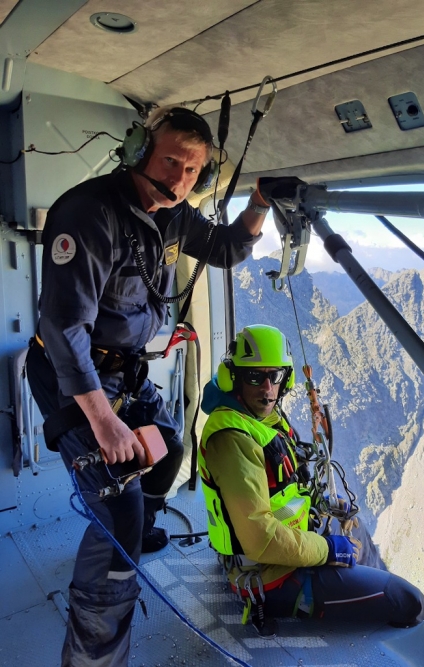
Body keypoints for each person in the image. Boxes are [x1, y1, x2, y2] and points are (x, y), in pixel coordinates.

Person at [26, 107, 271, 666]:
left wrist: (259, 204)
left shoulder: (174, 214)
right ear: (140, 149)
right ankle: (94, 653)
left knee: (170, 451)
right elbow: (63, 332)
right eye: (170, 162)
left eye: (193, 172)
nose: (179, 179)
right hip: (74, 380)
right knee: (119, 510)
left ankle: (134, 539)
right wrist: (105, 422)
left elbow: (227, 249)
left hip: (125, 372)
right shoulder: (90, 214)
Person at [198, 324, 424, 633]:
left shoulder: (262, 417)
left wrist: (324, 515)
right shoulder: (232, 438)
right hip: (268, 576)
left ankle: (363, 574)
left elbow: (284, 489)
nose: (267, 388)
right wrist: (328, 549)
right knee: (410, 603)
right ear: (234, 378)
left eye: (275, 376)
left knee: (354, 529)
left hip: (292, 546)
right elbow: (260, 540)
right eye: (255, 377)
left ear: (286, 379)